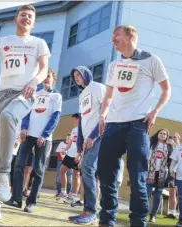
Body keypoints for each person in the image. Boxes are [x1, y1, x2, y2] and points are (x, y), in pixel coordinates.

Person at [0, 4, 50, 219]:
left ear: (34, 22)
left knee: (9, 116)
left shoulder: (38, 43)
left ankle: (5, 173)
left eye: (30, 16)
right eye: (23, 15)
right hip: (1, 95)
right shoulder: (3, 41)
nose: (26, 18)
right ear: (16, 19)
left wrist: (34, 81)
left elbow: (43, 69)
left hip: (25, 92)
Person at [97, 25, 171, 227]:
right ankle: (106, 220)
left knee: (137, 175)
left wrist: (154, 111)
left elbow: (166, 90)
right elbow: (109, 95)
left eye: (117, 35)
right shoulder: (114, 65)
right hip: (112, 125)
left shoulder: (151, 60)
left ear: (131, 36)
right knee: (106, 174)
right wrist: (102, 115)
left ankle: (138, 222)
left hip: (138, 125)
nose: (113, 40)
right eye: (112, 36)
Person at [6, 68, 62, 213]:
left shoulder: (56, 96)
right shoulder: (35, 93)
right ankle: (16, 199)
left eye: (49, 77)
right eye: (45, 77)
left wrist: (44, 135)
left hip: (43, 138)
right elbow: (26, 112)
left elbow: (55, 118)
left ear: (53, 79)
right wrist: (24, 128)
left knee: (38, 170)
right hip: (28, 135)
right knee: (18, 165)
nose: (46, 79)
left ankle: (31, 202)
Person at [68, 66, 106, 224]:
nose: (76, 78)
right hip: (87, 139)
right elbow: (83, 121)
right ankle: (88, 211)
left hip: (99, 136)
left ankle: (91, 211)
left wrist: (94, 135)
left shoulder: (97, 87)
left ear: (86, 74)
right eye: (74, 76)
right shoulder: (82, 94)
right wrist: (79, 146)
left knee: (88, 169)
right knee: (87, 171)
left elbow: (106, 112)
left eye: (79, 74)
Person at [146, 129, 173, 223]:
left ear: (166, 136)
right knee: (146, 193)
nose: (162, 135)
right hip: (150, 172)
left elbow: (171, 162)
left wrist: (170, 173)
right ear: (157, 134)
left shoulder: (169, 147)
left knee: (158, 195)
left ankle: (153, 216)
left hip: (162, 174)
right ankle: (143, 213)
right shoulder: (150, 143)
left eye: (164, 134)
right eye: (161, 133)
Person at [56, 114, 80, 204]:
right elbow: (70, 143)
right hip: (69, 155)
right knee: (62, 171)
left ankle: (73, 196)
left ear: (79, 119)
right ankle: (63, 192)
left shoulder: (83, 129)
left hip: (77, 155)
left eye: (74, 119)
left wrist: (79, 154)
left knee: (76, 176)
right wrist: (65, 149)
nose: (73, 121)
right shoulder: (74, 130)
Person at [167, 132, 180, 219]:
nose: (173, 139)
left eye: (175, 137)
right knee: (171, 192)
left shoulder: (181, 148)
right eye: (171, 137)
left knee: (176, 193)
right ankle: (172, 212)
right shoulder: (168, 147)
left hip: (177, 173)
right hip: (167, 172)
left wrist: (176, 146)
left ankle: (174, 212)